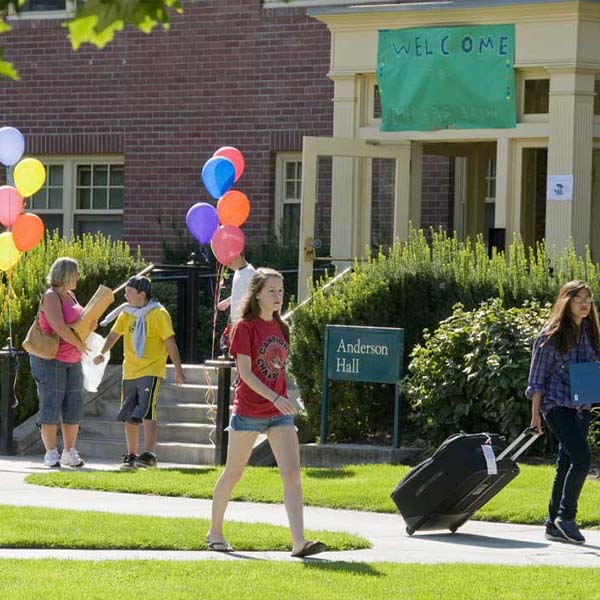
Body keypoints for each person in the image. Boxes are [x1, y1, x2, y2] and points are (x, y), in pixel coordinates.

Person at [207, 267, 326, 558]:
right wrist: (275, 396)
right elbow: (245, 373)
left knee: (293, 475)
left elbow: (278, 369)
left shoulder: (282, 327)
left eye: (281, 291)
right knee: (233, 473)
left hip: (278, 413)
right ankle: (215, 532)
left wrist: (282, 398)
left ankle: (299, 542)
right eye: (271, 291)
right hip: (249, 410)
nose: (278, 297)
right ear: (257, 294)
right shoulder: (245, 327)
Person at [526, 280, 600, 545]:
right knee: (582, 458)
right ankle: (566, 517)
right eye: (578, 297)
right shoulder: (551, 335)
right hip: (556, 405)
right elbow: (536, 379)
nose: (584, 303)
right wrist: (536, 415)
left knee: (566, 463)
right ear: (566, 301)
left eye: (588, 298)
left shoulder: (591, 331)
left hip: (582, 406)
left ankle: (551, 524)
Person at [93, 276, 185, 470]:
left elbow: (170, 342)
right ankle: (132, 454)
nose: (125, 295)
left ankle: (149, 454)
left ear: (142, 294)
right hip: (130, 370)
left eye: (129, 292)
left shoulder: (159, 313)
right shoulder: (127, 313)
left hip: (151, 369)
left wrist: (178, 370)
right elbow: (114, 334)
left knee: (146, 410)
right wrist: (102, 352)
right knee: (129, 413)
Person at [30, 257, 89, 468]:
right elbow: (59, 328)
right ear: (65, 275)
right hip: (51, 359)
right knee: (51, 404)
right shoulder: (51, 296)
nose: (79, 277)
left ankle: (69, 453)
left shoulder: (70, 295)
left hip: (73, 360)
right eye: (76, 273)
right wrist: (80, 344)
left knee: (73, 405)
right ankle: (51, 453)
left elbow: (74, 323)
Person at [216, 253, 256, 354]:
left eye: (229, 262)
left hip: (244, 320)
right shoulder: (238, 272)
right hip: (235, 320)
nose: (227, 265)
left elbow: (254, 294)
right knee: (227, 344)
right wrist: (228, 302)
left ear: (237, 256)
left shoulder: (250, 273)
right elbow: (241, 292)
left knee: (239, 350)